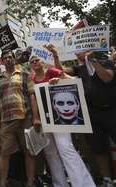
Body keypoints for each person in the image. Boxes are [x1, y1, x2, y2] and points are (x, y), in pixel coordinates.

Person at [29, 49, 95, 187]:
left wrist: (59, 81)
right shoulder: (32, 79)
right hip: (43, 120)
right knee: (51, 153)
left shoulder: (52, 71)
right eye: (32, 61)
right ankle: (60, 184)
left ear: (43, 62)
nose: (35, 62)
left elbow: (72, 80)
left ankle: (83, 184)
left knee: (65, 149)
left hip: (60, 118)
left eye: (37, 60)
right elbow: (33, 98)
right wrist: (36, 118)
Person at [65, 50, 116, 187]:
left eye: (82, 50)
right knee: (99, 148)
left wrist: (92, 60)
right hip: (92, 114)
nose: (78, 53)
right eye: (77, 51)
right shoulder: (79, 69)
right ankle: (107, 180)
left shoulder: (107, 62)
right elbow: (61, 71)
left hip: (111, 111)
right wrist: (55, 56)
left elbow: (107, 78)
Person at [0, 50, 40, 187]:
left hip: (25, 117)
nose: (8, 59)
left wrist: (35, 117)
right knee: (4, 152)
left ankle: (30, 182)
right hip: (6, 120)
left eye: (10, 57)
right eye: (5, 58)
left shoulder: (24, 75)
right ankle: (3, 182)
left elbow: (32, 95)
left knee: (28, 151)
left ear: (14, 59)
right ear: (2, 61)